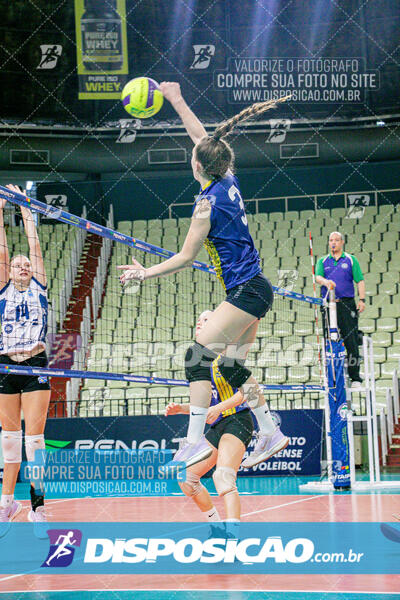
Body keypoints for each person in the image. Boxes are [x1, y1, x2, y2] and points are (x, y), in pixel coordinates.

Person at [119, 82, 290, 469]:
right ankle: (270, 430)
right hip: (255, 289)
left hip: (246, 291)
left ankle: (194, 441)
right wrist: (178, 99)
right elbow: (202, 139)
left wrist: (144, 273)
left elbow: (184, 257)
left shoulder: (205, 205)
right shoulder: (227, 178)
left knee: (197, 357)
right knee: (230, 366)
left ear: (197, 165)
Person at [165, 311, 255, 529]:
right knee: (186, 478)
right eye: (198, 320)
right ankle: (216, 527)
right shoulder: (198, 362)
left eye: (205, 320)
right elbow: (202, 404)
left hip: (238, 420)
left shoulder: (229, 357)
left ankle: (233, 534)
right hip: (217, 425)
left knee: (223, 476)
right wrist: (181, 409)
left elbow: (250, 392)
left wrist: (220, 407)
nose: (199, 323)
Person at [0, 184, 50, 533]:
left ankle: (38, 507)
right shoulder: (3, 286)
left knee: (34, 440)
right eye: (17, 264)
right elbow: (2, 252)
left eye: (26, 264)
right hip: (5, 364)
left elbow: (34, 245)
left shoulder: (40, 287)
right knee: (8, 438)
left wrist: (25, 210)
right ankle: (7, 503)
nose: (23, 265)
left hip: (34, 364)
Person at [316, 231, 366, 388]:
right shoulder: (322, 261)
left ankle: (355, 378)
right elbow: (317, 277)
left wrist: (362, 299)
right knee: (330, 340)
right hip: (328, 305)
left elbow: (360, 280)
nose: (333, 243)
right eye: (331, 240)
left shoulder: (351, 260)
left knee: (351, 340)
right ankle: (332, 377)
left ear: (342, 242)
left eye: (336, 240)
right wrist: (326, 282)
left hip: (347, 304)